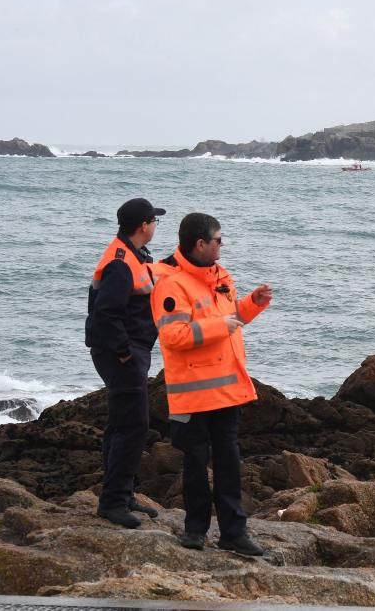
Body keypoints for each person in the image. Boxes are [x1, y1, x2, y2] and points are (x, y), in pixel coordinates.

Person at [150, 212, 272, 556]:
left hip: (226, 390)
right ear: (200, 244)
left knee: (229, 463)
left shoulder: (221, 277)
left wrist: (253, 304)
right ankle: (195, 531)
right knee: (194, 463)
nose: (223, 245)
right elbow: (172, 336)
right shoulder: (171, 285)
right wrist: (222, 325)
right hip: (192, 393)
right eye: (218, 240)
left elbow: (234, 318)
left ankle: (234, 532)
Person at [86, 197, 167, 528]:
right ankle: (114, 502)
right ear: (143, 226)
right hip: (121, 353)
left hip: (131, 350)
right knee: (134, 427)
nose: (155, 226)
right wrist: (124, 354)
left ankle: (122, 491)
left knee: (121, 424)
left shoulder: (136, 255)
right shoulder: (120, 262)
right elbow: (106, 313)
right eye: (154, 221)